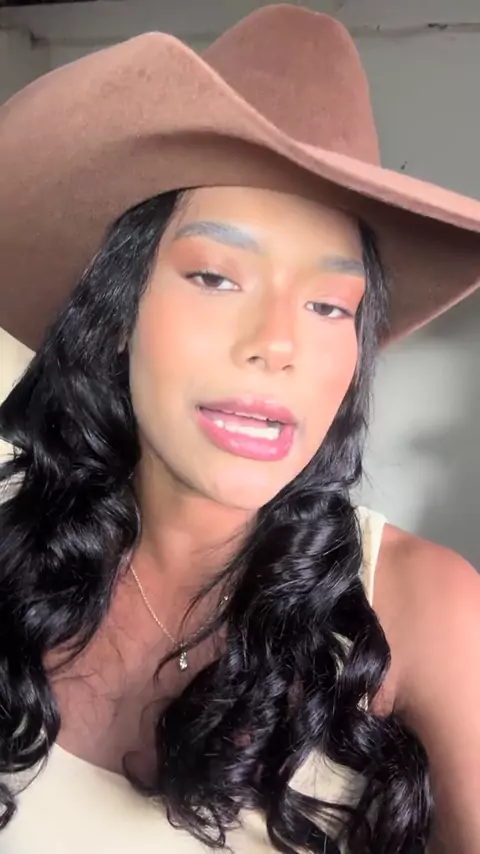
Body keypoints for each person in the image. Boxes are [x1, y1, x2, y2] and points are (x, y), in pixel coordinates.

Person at [0, 5, 479, 854]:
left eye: (329, 305)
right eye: (217, 278)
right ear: (119, 312)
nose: (277, 345)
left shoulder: (425, 606)